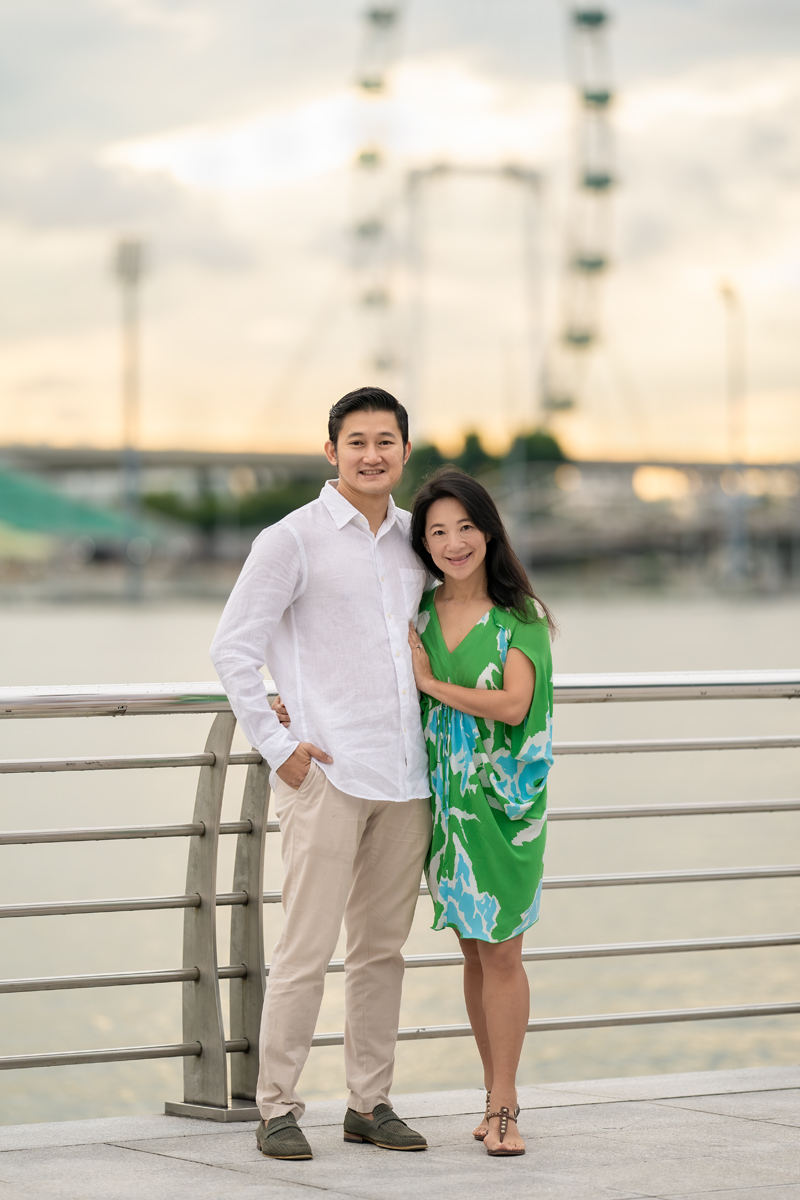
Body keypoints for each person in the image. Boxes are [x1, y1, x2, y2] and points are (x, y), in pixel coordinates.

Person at [210, 386, 432, 1161]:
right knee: (304, 948)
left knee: (381, 951)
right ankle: (276, 1107)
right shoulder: (291, 539)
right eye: (357, 441)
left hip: (408, 777)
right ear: (330, 450)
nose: (373, 454)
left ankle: (370, 1102)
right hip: (326, 774)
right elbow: (234, 648)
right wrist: (281, 745)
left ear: (406, 451)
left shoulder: (419, 540)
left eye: (387, 441)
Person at [406, 467, 555, 1158]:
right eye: (437, 531)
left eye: (465, 526)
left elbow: (514, 707)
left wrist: (432, 684)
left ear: (488, 530)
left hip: (503, 806)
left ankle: (506, 1105)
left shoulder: (518, 616)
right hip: (447, 808)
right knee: (472, 950)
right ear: (423, 543)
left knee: (502, 951)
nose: (453, 541)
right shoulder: (417, 613)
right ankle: (490, 1092)